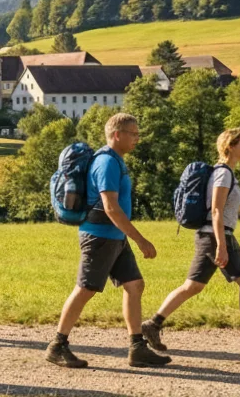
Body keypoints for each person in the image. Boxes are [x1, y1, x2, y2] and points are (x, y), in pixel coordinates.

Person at [46, 113, 170, 368]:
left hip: (115, 236)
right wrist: (140, 239)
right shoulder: (107, 163)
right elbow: (111, 207)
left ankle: (137, 348)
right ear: (117, 135)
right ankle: (57, 346)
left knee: (134, 285)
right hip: (100, 236)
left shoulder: (115, 160)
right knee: (85, 289)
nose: (137, 138)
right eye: (133, 133)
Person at [143, 129, 240, 355]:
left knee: (193, 286)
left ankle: (152, 324)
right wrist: (222, 245)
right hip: (217, 236)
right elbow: (215, 210)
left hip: (212, 235)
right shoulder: (223, 173)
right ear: (230, 147)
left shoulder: (225, 173)